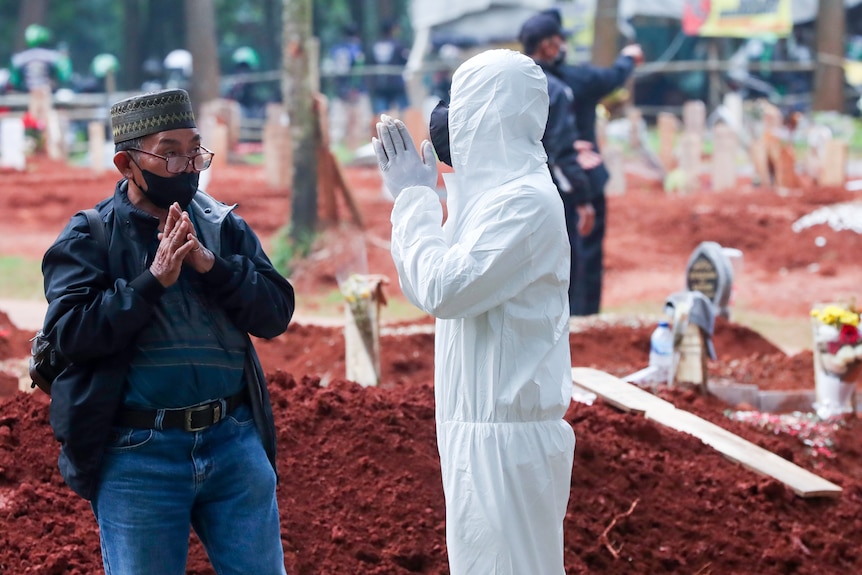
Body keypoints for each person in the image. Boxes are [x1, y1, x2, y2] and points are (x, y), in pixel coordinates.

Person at [41, 88, 294, 574]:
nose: (187, 166)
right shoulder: (90, 236)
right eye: (168, 152)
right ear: (126, 163)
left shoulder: (223, 226)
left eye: (194, 150)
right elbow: (71, 334)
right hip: (138, 456)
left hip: (234, 443)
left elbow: (275, 313)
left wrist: (215, 268)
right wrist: (151, 281)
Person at [372, 49, 575, 574]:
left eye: (460, 107)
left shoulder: (525, 203)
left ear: (488, 114)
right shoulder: (496, 199)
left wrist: (414, 202)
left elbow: (443, 288)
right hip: (478, 431)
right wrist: (434, 195)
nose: (447, 122)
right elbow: (436, 279)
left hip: (507, 442)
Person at [542, 7, 643, 315]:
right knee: (583, 253)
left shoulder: (527, 82)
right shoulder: (574, 80)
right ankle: (584, 317)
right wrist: (628, 57)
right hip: (575, 176)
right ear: (550, 44)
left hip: (546, 181)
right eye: (561, 39)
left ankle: (574, 319)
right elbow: (613, 77)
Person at [520, 12, 598, 316]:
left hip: (507, 193)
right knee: (565, 266)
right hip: (550, 195)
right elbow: (562, 154)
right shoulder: (554, 90)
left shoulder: (508, 86)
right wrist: (583, 199)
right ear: (550, 45)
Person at [8, 24, 71, 93]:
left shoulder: (19, 59)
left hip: (26, 94)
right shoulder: (54, 57)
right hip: (48, 95)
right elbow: (64, 76)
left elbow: (14, 81)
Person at [368, 20, 410, 119]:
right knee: (405, 111)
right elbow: (405, 60)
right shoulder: (397, 45)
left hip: (380, 84)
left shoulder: (374, 45)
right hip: (396, 82)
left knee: (382, 115)